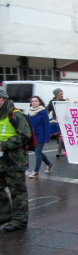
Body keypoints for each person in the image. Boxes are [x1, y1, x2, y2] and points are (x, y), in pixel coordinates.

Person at [0, 86, 31, 232]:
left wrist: (4, 145)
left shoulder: (15, 114)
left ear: (2, 99)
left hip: (15, 161)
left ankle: (20, 221)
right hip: (1, 161)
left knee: (17, 192)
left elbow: (25, 135)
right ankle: (4, 215)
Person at [28, 96, 53, 178]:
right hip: (33, 136)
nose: (34, 102)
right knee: (37, 151)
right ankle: (49, 164)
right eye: (32, 101)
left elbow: (46, 125)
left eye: (36, 101)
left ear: (39, 102)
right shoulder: (30, 112)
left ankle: (36, 171)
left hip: (40, 135)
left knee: (38, 152)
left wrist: (46, 138)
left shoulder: (43, 112)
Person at [47, 88, 69, 158]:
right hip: (55, 121)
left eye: (62, 94)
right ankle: (67, 151)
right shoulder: (52, 102)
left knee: (61, 136)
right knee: (59, 136)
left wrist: (68, 102)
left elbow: (68, 108)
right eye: (60, 94)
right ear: (56, 95)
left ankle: (58, 152)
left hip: (62, 120)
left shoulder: (63, 101)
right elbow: (47, 110)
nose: (62, 95)